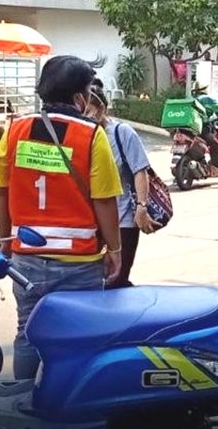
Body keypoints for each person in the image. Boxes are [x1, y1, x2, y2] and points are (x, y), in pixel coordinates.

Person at [0, 55, 123, 380]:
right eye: (89, 91)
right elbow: (104, 201)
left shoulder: (15, 130)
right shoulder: (91, 135)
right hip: (79, 262)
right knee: (81, 336)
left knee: (28, 333)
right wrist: (115, 249)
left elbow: (1, 191)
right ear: (79, 97)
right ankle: (72, 400)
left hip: (26, 257)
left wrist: (6, 238)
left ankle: (25, 399)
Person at [86, 83, 161, 287]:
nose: (85, 118)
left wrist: (141, 208)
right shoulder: (83, 135)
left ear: (101, 109)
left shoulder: (122, 133)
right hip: (92, 222)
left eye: (89, 112)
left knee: (116, 279)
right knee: (94, 282)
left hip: (123, 220)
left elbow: (140, 171)